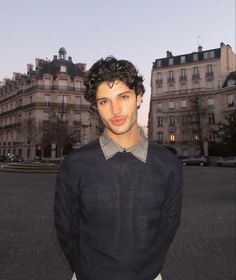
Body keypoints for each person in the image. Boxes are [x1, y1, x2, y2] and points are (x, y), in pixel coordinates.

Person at [54, 56, 183, 280]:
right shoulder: (74, 165)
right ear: (96, 106)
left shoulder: (168, 164)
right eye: (104, 101)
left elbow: (167, 228)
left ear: (139, 97)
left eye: (123, 97)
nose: (115, 110)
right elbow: (67, 230)